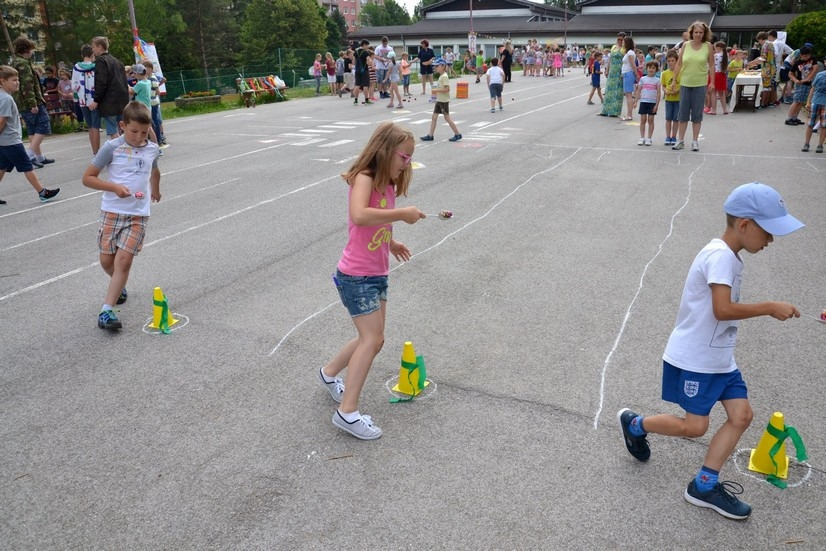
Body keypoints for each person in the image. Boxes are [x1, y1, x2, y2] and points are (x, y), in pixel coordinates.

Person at [618, 182, 804, 521]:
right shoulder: (719, 256)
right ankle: (636, 424)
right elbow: (722, 309)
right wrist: (768, 307)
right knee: (695, 427)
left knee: (741, 416)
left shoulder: (730, 257)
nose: (771, 240)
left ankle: (704, 485)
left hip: (720, 359)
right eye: (768, 231)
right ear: (744, 225)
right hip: (697, 360)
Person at [319, 121, 424, 440]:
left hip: (377, 274)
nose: (407, 163)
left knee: (372, 338)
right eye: (403, 157)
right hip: (356, 275)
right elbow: (360, 216)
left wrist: (391, 243)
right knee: (372, 340)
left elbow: (376, 225)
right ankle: (347, 412)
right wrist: (401, 213)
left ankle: (328, 374)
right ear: (385, 150)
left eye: (410, 158)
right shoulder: (364, 178)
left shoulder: (387, 186)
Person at [81, 102, 161, 330]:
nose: (139, 137)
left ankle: (107, 310)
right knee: (107, 261)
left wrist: (155, 189)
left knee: (123, 262)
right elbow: (88, 178)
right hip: (112, 212)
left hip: (138, 214)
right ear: (122, 126)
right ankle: (119, 286)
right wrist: (114, 187)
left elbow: (154, 170)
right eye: (134, 131)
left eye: (144, 132)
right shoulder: (111, 148)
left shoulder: (152, 149)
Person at [0, 65, 60, 205]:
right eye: (14, 80)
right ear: (2, 81)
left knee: (2, 167)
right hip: (11, 141)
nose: (18, 83)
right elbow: (2, 120)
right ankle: (42, 192)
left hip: (4, 141)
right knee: (27, 166)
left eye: (18, 80)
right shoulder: (6, 99)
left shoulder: (4, 97)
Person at [671, 21, 715, 151]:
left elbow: (712, 65)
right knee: (683, 114)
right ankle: (680, 140)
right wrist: (674, 80)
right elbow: (679, 64)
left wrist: (712, 82)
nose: (698, 34)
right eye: (696, 32)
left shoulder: (708, 46)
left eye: (701, 32)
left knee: (697, 115)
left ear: (704, 33)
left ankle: (695, 141)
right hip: (685, 82)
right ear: (692, 33)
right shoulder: (685, 45)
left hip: (700, 83)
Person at [11, 37, 54, 169]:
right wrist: (33, 104)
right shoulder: (23, 64)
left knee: (32, 129)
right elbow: (27, 85)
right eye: (31, 49)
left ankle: (38, 157)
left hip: (22, 102)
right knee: (43, 125)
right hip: (31, 102)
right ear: (26, 49)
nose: (32, 52)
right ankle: (29, 155)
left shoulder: (16, 62)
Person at [89, 36, 129, 140]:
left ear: (100, 47)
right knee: (124, 128)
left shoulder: (101, 61)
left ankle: (120, 149)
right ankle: (129, 147)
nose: (92, 50)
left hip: (110, 101)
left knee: (113, 131)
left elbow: (101, 82)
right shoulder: (118, 61)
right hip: (122, 100)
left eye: (93, 47)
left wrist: (96, 100)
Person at [419, 58, 462, 142]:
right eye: (435, 66)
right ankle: (430, 135)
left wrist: (436, 90)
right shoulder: (441, 76)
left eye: (437, 66)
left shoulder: (444, 76)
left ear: (443, 66)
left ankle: (457, 134)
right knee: (434, 117)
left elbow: (447, 89)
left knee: (447, 118)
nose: (435, 68)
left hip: (443, 101)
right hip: (439, 100)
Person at [72, 44, 100, 155]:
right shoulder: (96, 66)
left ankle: (94, 152)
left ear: (82, 55)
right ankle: (97, 152)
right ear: (92, 54)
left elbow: (74, 86)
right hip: (94, 100)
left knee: (90, 126)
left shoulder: (76, 67)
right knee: (96, 126)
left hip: (83, 100)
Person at [786, 45, 818, 126]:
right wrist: (796, 80)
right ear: (801, 55)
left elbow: (815, 68)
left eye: (808, 55)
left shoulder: (813, 59)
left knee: (801, 101)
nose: (807, 57)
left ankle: (795, 117)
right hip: (800, 83)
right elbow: (790, 73)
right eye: (805, 56)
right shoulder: (798, 63)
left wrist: (808, 78)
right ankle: (789, 118)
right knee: (796, 101)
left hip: (807, 83)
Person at [128, 64, 159, 146]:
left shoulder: (140, 84)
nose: (134, 75)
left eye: (135, 73)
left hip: (141, 108)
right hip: (147, 107)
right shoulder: (147, 82)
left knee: (145, 128)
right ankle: (154, 144)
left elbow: (131, 92)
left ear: (138, 74)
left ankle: (150, 144)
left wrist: (126, 85)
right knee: (147, 127)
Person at [599, 33, 626, 117]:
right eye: (618, 39)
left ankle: (615, 111)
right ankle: (605, 110)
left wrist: (623, 72)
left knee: (617, 91)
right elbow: (610, 59)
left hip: (619, 71)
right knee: (609, 90)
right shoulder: (614, 47)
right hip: (612, 71)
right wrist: (607, 69)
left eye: (622, 40)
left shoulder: (624, 49)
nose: (620, 41)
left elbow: (625, 62)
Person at [634, 60, 660, 146]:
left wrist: (656, 105)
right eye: (649, 68)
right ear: (646, 68)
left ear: (656, 70)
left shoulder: (657, 80)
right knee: (643, 120)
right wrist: (635, 101)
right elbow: (638, 91)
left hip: (652, 103)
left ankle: (649, 138)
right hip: (643, 102)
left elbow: (659, 93)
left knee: (651, 120)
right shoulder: (643, 79)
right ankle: (642, 137)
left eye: (653, 68)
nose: (651, 69)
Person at [142, 60, 167, 147]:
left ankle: (159, 139)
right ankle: (157, 139)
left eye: (145, 68)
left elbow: (157, 91)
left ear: (149, 69)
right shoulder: (148, 78)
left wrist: (152, 95)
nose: (144, 70)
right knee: (153, 121)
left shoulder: (152, 78)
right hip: (151, 102)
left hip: (153, 102)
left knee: (154, 121)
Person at [801, 66, 826, 153]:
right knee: (810, 124)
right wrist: (808, 102)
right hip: (815, 101)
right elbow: (813, 88)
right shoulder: (820, 75)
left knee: (824, 125)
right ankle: (806, 143)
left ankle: (820, 145)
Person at [661, 49, 682, 146]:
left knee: (676, 119)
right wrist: (665, 91)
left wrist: (677, 90)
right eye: (668, 61)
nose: (670, 63)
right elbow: (663, 85)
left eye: (672, 60)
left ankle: (674, 136)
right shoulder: (665, 73)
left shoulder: (680, 72)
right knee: (668, 118)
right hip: (668, 99)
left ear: (677, 61)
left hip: (678, 99)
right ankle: (667, 136)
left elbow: (683, 85)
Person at [709, 41, 729, 115]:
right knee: (721, 93)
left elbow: (710, 65)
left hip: (715, 74)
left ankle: (713, 110)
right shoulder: (725, 56)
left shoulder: (715, 56)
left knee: (713, 93)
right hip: (722, 74)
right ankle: (725, 109)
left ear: (719, 48)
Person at [353, 40, 372, 105]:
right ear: (364, 45)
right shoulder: (366, 53)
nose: (367, 47)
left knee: (357, 85)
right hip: (364, 70)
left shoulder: (356, 52)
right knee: (365, 85)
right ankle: (366, 100)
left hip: (357, 70)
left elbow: (353, 62)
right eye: (367, 45)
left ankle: (355, 100)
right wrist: (370, 62)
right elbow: (369, 62)